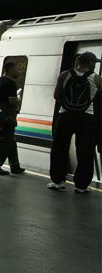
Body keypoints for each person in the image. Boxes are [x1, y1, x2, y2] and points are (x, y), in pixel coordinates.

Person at [47, 51, 101, 193]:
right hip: (87, 118)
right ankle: (81, 186)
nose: (94, 65)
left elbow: (56, 96)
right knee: (85, 152)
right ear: (89, 63)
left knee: (60, 148)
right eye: (94, 63)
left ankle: (57, 181)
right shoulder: (96, 79)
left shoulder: (65, 75)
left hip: (65, 115)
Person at [0, 62, 25, 176]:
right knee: (4, 141)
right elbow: (12, 101)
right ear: (10, 70)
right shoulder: (10, 83)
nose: (18, 72)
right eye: (17, 69)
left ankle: (15, 165)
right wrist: (18, 99)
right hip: (7, 116)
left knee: (10, 140)